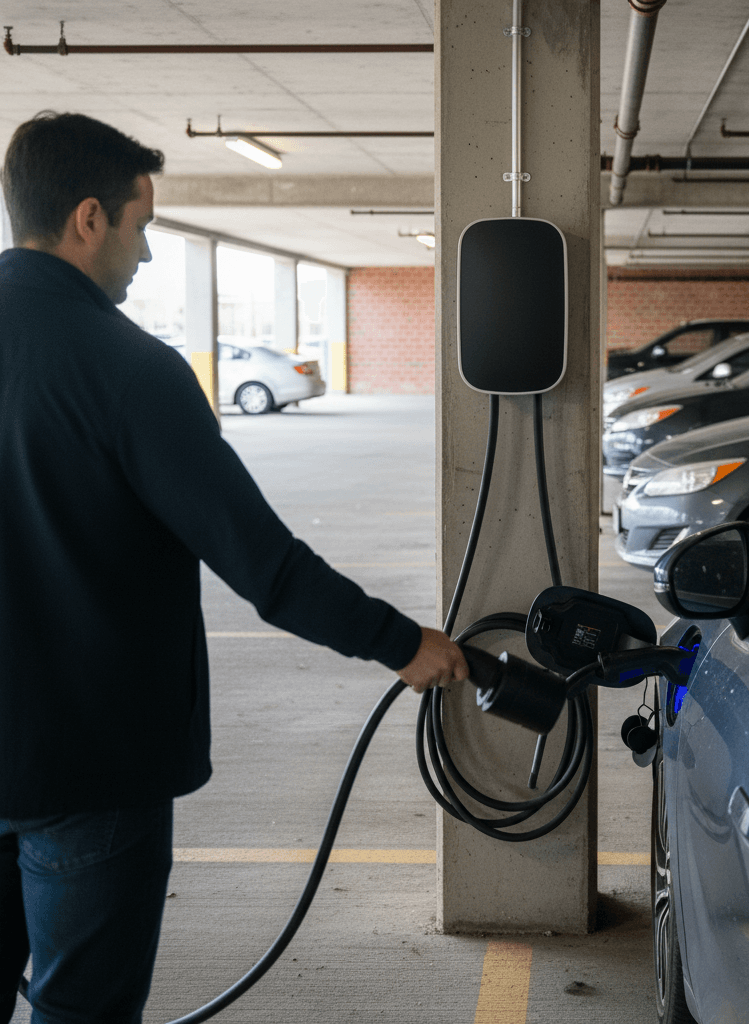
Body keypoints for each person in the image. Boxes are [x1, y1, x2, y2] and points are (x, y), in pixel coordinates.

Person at [0, 111, 468, 1024]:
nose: (144, 256)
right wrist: (402, 644)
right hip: (91, 770)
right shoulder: (131, 369)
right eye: (142, 226)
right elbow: (265, 566)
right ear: (89, 218)